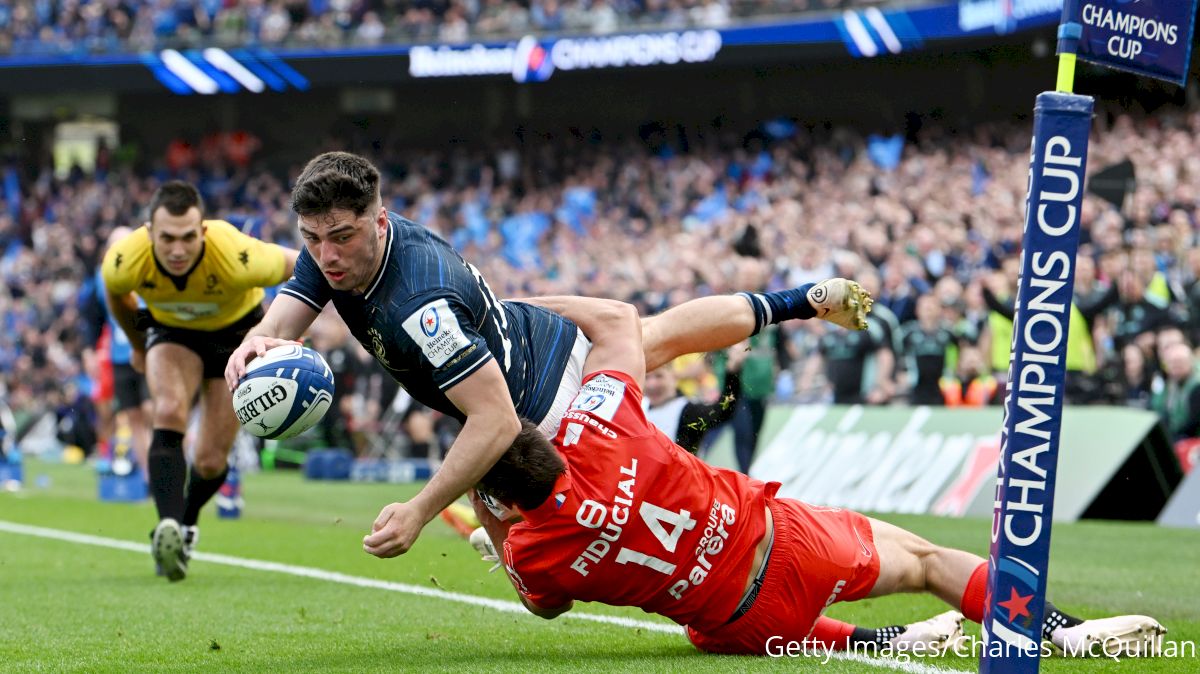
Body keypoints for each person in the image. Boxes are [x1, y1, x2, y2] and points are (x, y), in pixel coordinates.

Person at [223, 151, 874, 560]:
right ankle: (801, 299)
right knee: (656, 334)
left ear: (380, 220)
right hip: (535, 332)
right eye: (314, 239)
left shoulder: (418, 306)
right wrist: (261, 340)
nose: (327, 254)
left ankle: (816, 550)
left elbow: (496, 422)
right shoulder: (335, 251)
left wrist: (418, 512)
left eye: (342, 236)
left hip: (545, 411)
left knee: (567, 575)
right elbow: (296, 302)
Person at [474, 296, 1166, 658]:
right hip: (789, 549)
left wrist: (493, 518)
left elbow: (541, 603)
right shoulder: (601, 432)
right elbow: (619, 323)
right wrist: (509, 308)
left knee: (706, 631)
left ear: (505, 499)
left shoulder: (537, 553)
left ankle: (888, 643)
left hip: (743, 622)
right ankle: (1060, 630)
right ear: (545, 443)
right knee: (926, 563)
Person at [102, 181, 298, 582]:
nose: (177, 250)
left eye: (188, 237)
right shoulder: (124, 259)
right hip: (171, 332)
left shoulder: (236, 254)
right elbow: (116, 293)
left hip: (237, 336)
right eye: (167, 238)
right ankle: (167, 527)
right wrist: (138, 343)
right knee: (169, 409)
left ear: (203, 231)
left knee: (210, 458)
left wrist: (289, 327)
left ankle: (186, 525)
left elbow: (307, 267)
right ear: (149, 231)